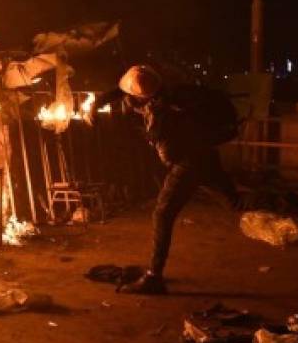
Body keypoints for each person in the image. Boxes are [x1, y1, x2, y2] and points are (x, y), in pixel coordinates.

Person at [87, 65, 241, 293]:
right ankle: (284, 200)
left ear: (142, 99)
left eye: (131, 99)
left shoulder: (163, 113)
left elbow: (167, 153)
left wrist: (146, 122)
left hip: (188, 164)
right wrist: (98, 103)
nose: (126, 100)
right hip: (206, 155)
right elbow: (122, 92)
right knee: (235, 202)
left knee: (162, 213)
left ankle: (153, 277)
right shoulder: (167, 91)